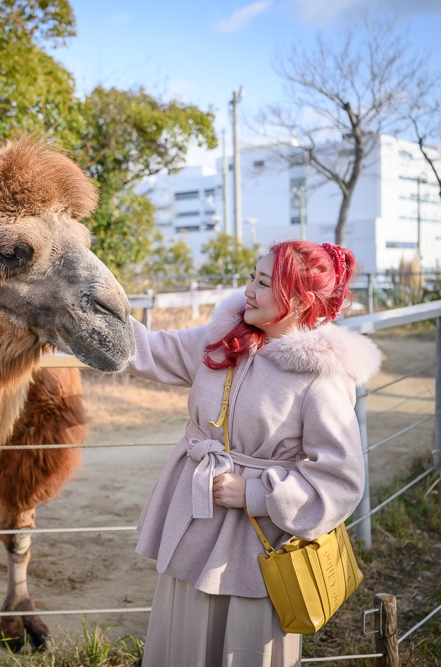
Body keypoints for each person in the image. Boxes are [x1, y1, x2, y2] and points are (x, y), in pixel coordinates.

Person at [128, 240, 382, 667]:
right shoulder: (225, 342)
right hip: (194, 523)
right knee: (182, 645)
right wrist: (78, 306)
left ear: (300, 300)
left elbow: (342, 479)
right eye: (252, 277)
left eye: (263, 283)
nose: (248, 290)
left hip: (256, 547)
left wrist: (255, 494)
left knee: (242, 650)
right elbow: (149, 349)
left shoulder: (319, 376)